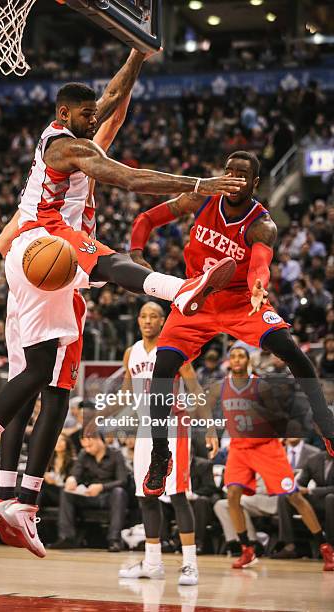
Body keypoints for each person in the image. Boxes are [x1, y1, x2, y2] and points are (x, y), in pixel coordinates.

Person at [0, 50, 242, 557]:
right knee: (101, 266)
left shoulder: (82, 147)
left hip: (57, 271)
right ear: (64, 117)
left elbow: (115, 103)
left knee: (50, 381)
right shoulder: (63, 149)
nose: (95, 119)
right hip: (42, 249)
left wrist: (136, 53)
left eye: (94, 117)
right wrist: (199, 184)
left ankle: (15, 499)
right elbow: (126, 177)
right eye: (87, 115)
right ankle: (182, 289)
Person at [129, 150, 334, 501]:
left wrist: (258, 283)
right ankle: (160, 454)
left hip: (242, 301)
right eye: (230, 171)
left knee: (289, 349)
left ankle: (324, 419)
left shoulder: (261, 223)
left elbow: (260, 261)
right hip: (198, 296)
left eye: (243, 174)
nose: (235, 178)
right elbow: (146, 220)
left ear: (255, 183)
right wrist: (135, 252)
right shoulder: (202, 197)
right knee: (162, 370)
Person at [86, 302, 217, 584]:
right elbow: (125, 395)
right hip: (145, 429)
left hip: (173, 426)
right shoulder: (131, 353)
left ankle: (190, 564)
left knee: (179, 494)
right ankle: (153, 562)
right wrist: (97, 417)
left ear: (162, 321)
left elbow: (195, 390)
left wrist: (209, 426)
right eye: (143, 316)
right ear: (138, 320)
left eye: (154, 316)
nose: (148, 320)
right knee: (147, 496)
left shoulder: (174, 350)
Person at [204, 346, 333, 570]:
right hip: (239, 449)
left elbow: (280, 418)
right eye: (232, 356)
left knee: (293, 496)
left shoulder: (260, 386)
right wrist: (210, 431)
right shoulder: (221, 387)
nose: (236, 359)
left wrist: (258, 412)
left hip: (266, 447)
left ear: (248, 361)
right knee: (232, 494)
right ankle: (247, 549)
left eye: (240, 356)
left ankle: (325, 548)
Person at [50, 432, 129, 553]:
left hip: (108, 496)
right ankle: (67, 537)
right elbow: (76, 473)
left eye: (90, 446)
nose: (87, 449)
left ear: (98, 440)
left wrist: (102, 487)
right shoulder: (84, 454)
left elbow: (123, 481)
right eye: (84, 446)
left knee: (119, 492)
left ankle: (114, 540)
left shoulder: (116, 455)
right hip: (88, 495)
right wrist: (72, 479)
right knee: (66, 492)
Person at [274, 450, 334, 570]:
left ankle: (331, 546)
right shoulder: (314, 459)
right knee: (286, 497)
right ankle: (289, 545)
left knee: (330, 498)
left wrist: (311, 491)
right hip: (319, 501)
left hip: (330, 499)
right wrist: (295, 489)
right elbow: (301, 483)